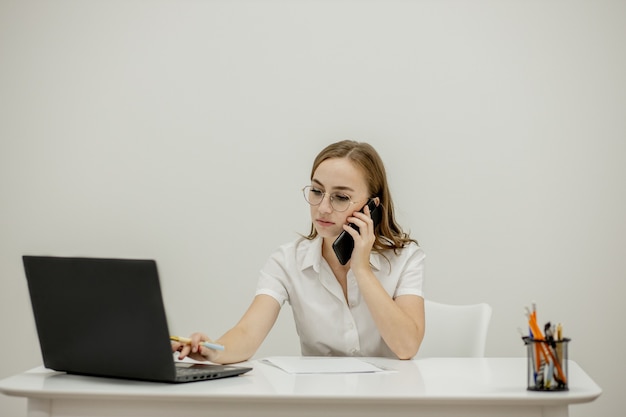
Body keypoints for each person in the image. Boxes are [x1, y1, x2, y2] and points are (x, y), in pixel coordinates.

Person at [173, 140, 425, 363]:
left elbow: (406, 347)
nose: (323, 208)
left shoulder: (405, 258)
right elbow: (248, 333)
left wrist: (361, 269)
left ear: (372, 206)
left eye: (340, 197)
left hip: (388, 402)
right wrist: (212, 351)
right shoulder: (287, 261)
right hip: (318, 402)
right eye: (317, 191)